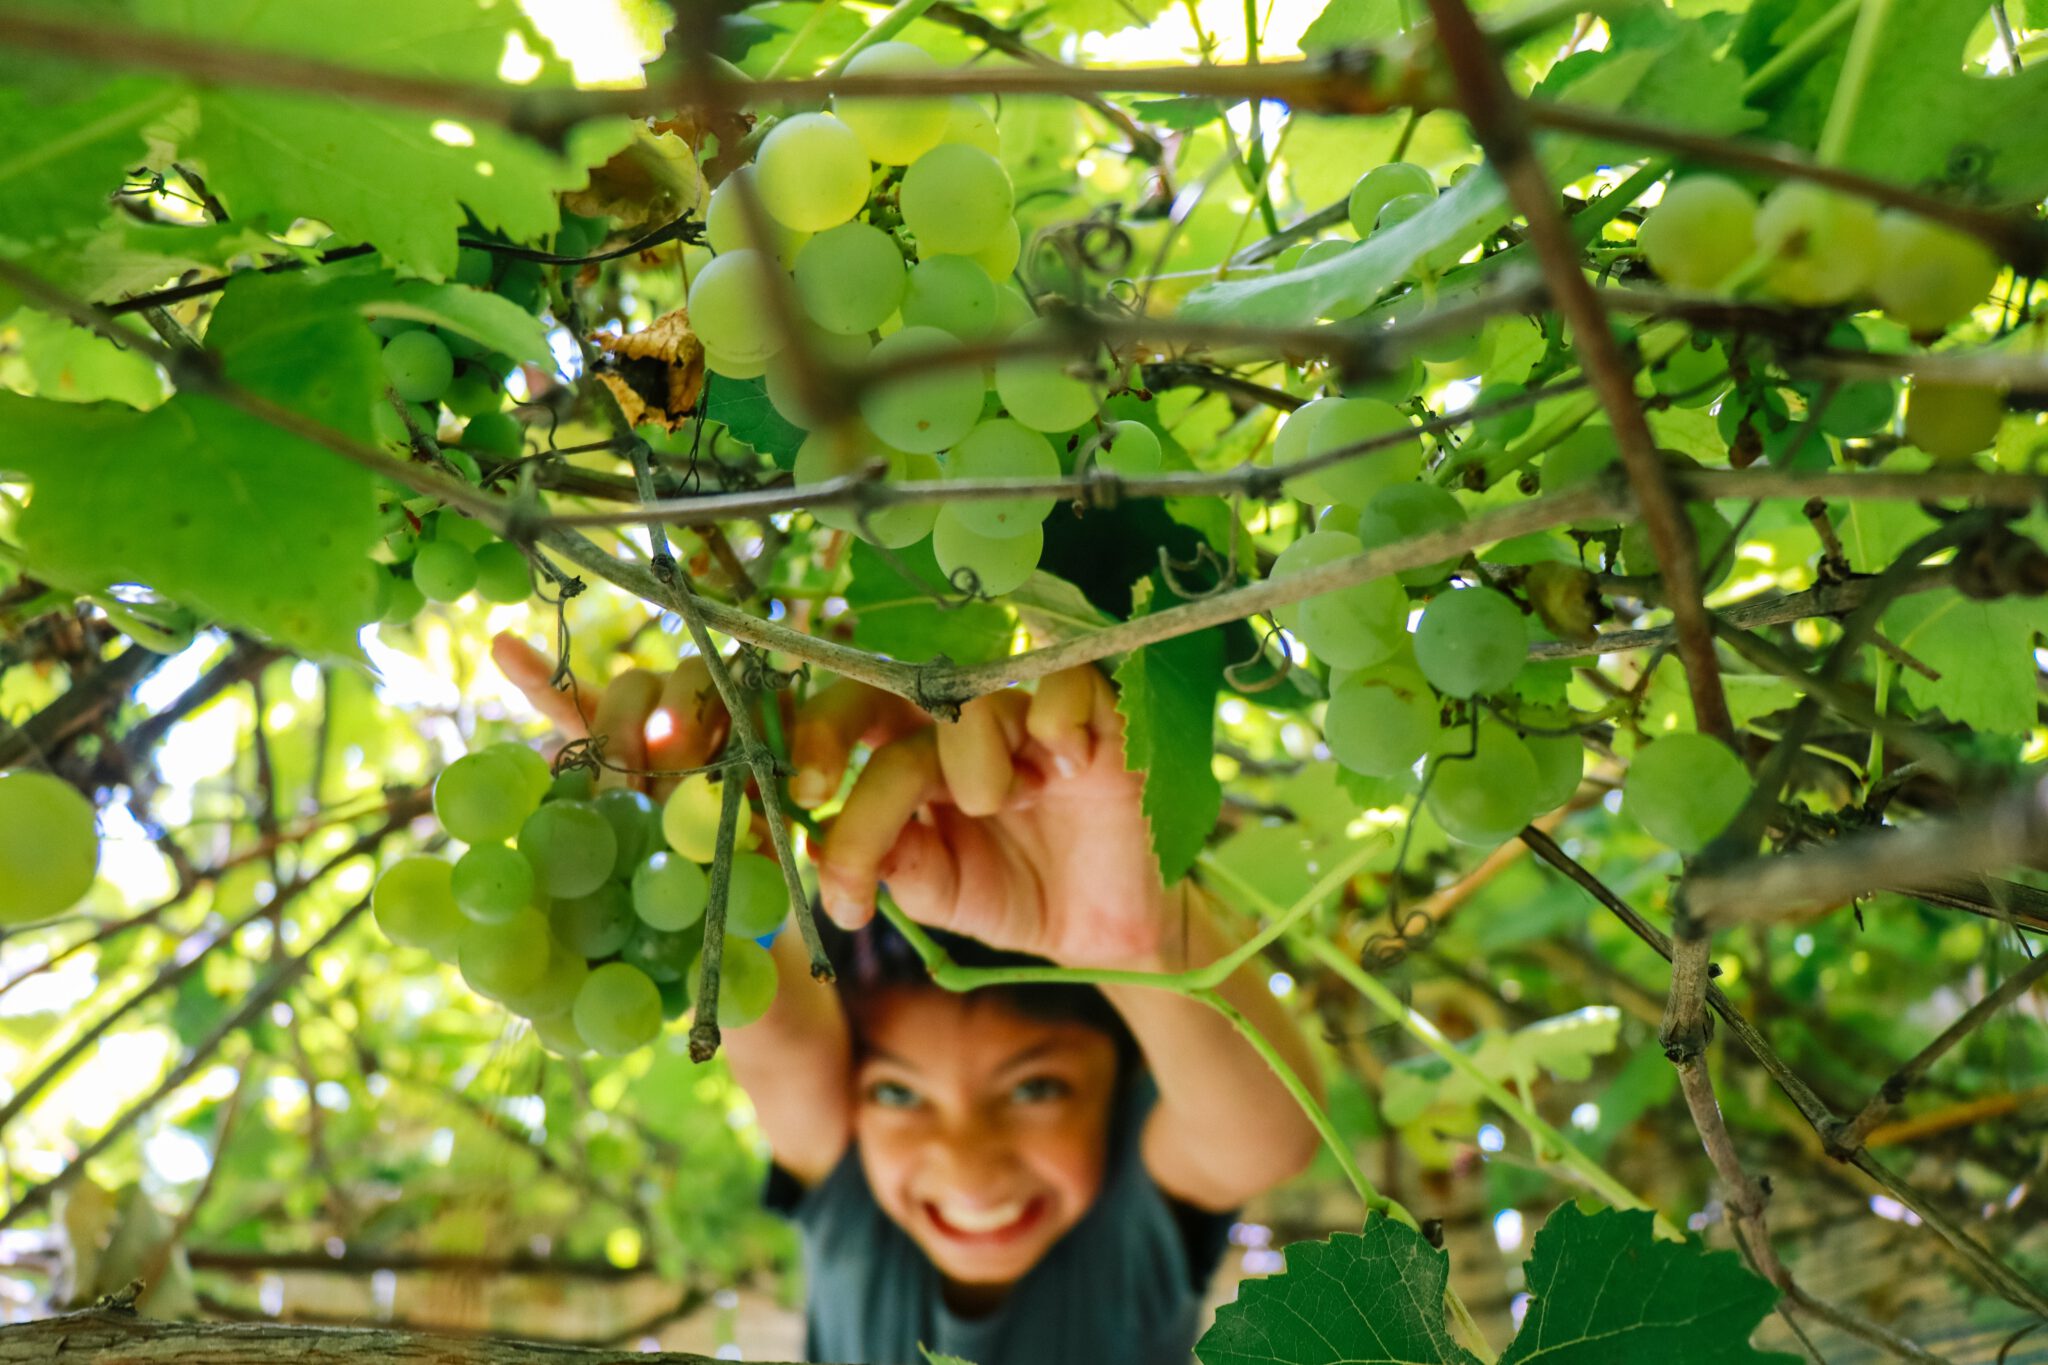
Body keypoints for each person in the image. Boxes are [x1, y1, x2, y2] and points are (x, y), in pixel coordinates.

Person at [494, 635, 1324, 1365]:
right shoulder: (850, 1186)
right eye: (895, 1091)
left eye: (1038, 1087)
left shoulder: (1126, 1216)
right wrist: (688, 845)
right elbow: (773, 1025)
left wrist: (1134, 944)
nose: (968, 1164)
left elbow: (1265, 1137)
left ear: (1125, 1089)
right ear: (849, 1094)